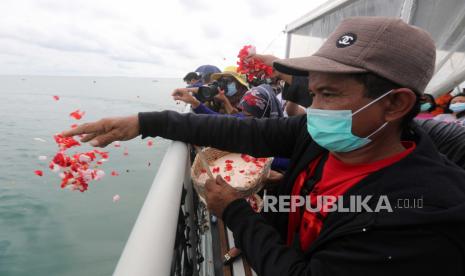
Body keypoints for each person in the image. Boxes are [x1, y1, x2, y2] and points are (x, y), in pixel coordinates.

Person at [63, 17, 465, 275]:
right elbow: (244, 133)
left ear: (395, 104)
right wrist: (144, 123)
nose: (315, 108)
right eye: (314, 93)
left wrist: (235, 213)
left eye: (329, 94)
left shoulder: (422, 215)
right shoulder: (326, 139)